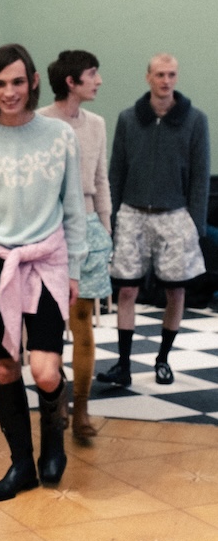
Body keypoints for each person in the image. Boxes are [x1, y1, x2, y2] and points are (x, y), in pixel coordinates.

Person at [0, 43, 86, 502]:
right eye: (0, 83)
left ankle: (53, 443)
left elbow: (73, 209)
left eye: (18, 82)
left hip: (46, 262)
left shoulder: (60, 137)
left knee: (44, 370)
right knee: (5, 368)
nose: (10, 92)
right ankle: (21, 465)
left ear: (33, 82)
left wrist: (75, 270)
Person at [97, 54, 210, 388]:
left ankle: (163, 359)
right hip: (132, 213)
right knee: (126, 289)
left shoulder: (194, 120)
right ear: (148, 77)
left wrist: (196, 225)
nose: (166, 81)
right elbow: (116, 171)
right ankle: (123, 364)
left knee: (176, 291)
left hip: (174, 215)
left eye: (171, 74)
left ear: (177, 77)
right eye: (160, 74)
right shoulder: (129, 118)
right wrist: (110, 219)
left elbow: (200, 175)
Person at [39, 50, 112, 440]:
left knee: (83, 320)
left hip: (88, 229)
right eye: (92, 73)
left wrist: (106, 230)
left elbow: (101, 181)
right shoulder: (39, 123)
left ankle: (81, 409)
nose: (98, 81)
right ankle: (56, 403)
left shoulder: (97, 124)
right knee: (49, 324)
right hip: (49, 231)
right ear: (71, 81)